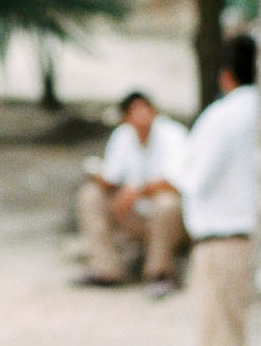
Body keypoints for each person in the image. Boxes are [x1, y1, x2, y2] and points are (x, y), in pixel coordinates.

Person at [178, 33, 260, 346]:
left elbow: (197, 179)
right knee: (251, 338)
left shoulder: (222, 116)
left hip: (223, 242)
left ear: (226, 74)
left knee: (221, 341)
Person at [75, 90, 189, 295]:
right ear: (125, 118)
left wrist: (138, 191)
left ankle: (160, 273)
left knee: (166, 202)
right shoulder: (123, 136)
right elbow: (112, 177)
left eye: (144, 109)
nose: (140, 116)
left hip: (170, 218)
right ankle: (106, 269)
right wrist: (101, 179)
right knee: (90, 195)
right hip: (133, 213)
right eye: (134, 112)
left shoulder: (173, 134)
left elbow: (177, 182)